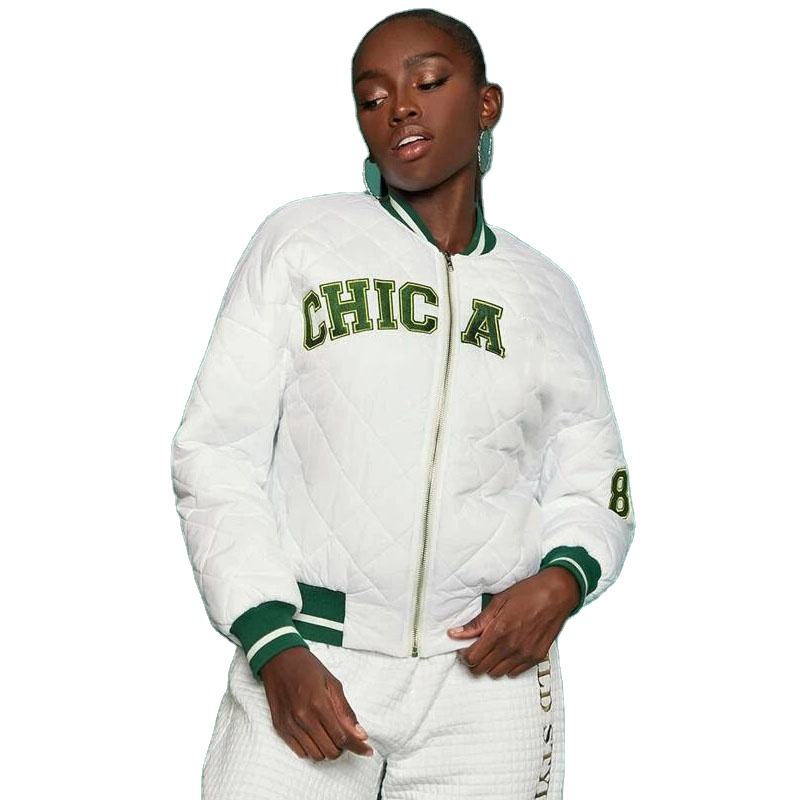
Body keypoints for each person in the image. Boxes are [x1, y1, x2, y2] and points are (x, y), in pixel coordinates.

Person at [170, 8, 636, 799]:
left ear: (486, 103)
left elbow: (598, 478)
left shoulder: (545, 292)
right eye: (373, 96)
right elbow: (213, 453)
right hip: (312, 656)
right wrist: (272, 642)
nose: (400, 108)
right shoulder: (301, 241)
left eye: (428, 81)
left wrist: (564, 580)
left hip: (487, 680)